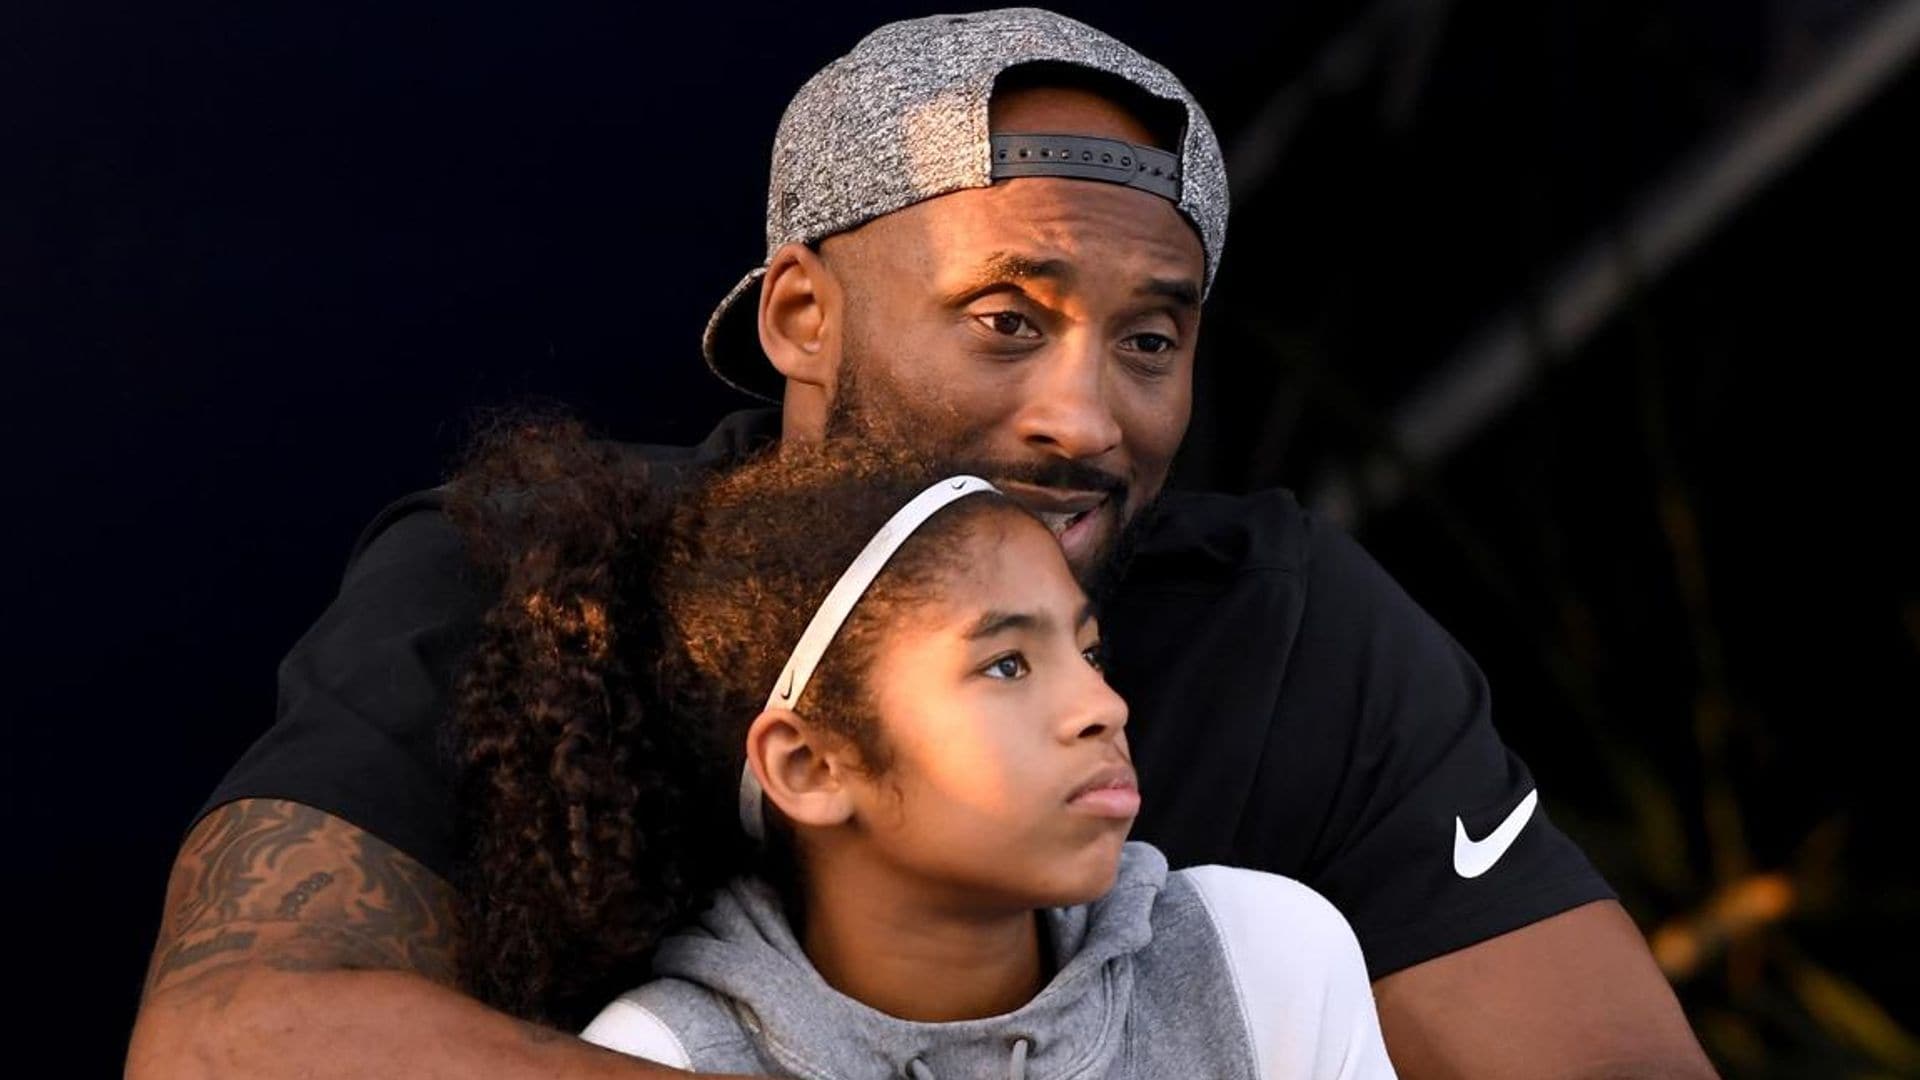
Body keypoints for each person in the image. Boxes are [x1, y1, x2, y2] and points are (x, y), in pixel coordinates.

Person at [127, 9, 1715, 1079]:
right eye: (1005, 320)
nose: (1086, 418)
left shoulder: (1288, 639)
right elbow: (229, 1036)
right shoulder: (536, 580)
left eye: (1151, 341)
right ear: (801, 316)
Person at [444, 426, 1397, 1078]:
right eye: (1009, 665)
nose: (1102, 706)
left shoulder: (1256, 956)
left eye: (1091, 650)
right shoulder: (660, 1057)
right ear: (809, 768)